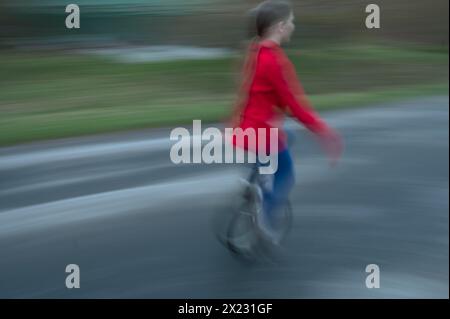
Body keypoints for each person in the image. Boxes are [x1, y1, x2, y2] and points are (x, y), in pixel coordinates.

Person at [228, 0, 343, 242]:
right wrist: (323, 131)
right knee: (286, 174)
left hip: (243, 128)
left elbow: (267, 93)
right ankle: (265, 218)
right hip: (262, 133)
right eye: (291, 22)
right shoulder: (276, 61)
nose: (293, 26)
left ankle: (253, 182)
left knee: (287, 139)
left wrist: (283, 111)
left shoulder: (254, 50)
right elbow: (294, 104)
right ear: (280, 26)